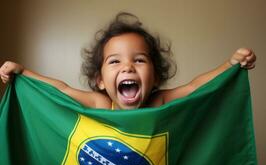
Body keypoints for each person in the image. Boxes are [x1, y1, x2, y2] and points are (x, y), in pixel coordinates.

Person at [0, 12, 256, 110]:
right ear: (100, 81)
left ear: (155, 76)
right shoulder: (101, 102)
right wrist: (25, 72)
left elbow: (193, 87)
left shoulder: (159, 100)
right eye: (114, 62)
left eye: (139, 60)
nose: (127, 66)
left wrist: (229, 65)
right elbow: (62, 89)